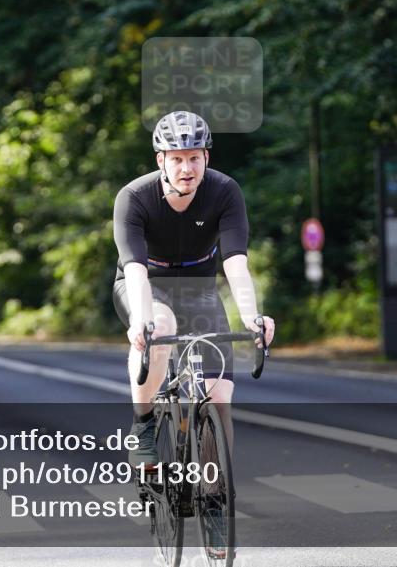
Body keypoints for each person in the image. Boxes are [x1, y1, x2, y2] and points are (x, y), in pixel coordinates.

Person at [112, 111, 276, 468]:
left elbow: (235, 262)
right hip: (146, 285)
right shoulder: (134, 197)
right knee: (161, 326)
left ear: (207, 158)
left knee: (218, 398)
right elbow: (135, 269)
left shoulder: (224, 191)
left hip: (198, 288)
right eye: (177, 159)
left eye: (194, 158)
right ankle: (143, 424)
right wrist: (141, 321)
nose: (187, 168)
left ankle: (215, 497)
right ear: (161, 161)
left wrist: (251, 316)